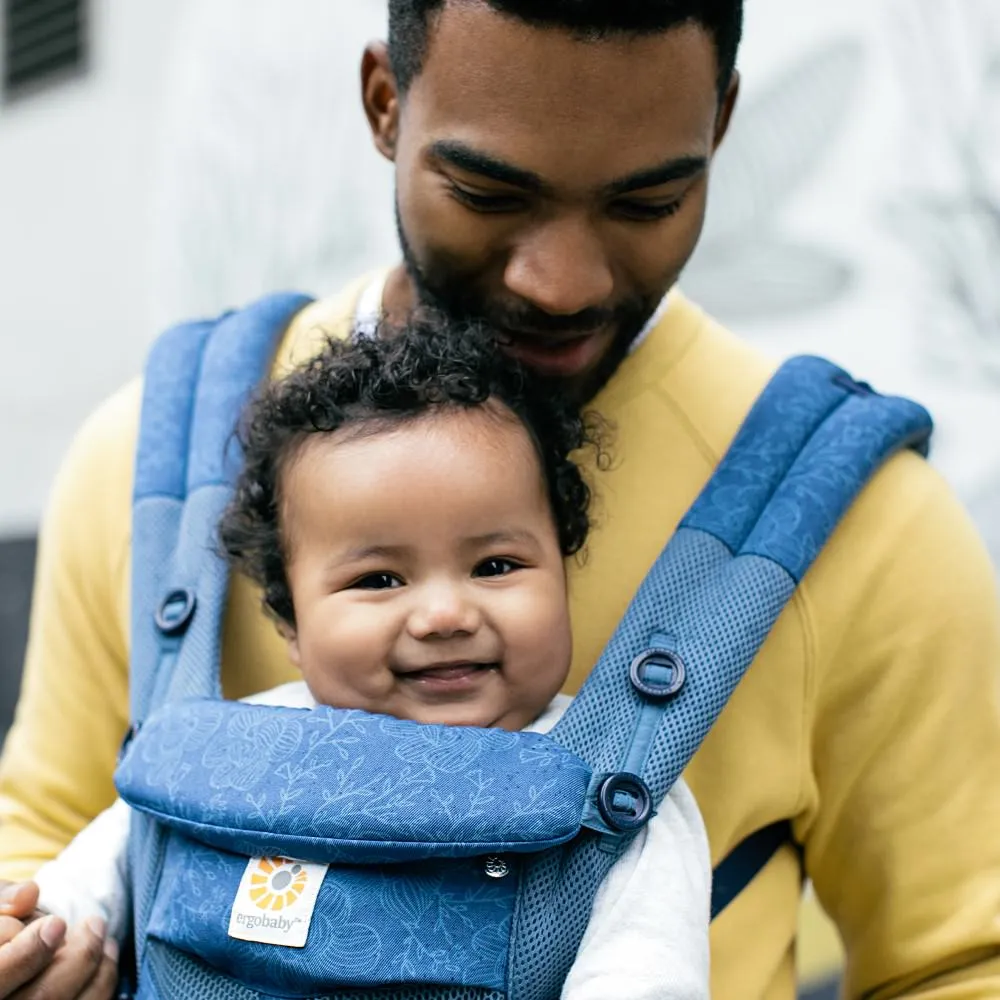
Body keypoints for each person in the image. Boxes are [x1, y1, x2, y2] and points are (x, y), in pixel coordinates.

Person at [1, 1, 998, 998]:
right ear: (384, 103)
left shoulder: (866, 526)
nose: (561, 282)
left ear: (720, 123)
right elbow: (43, 840)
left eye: (646, 202)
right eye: (486, 192)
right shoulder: (148, 470)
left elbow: (956, 963)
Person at [31, 320, 712, 1000]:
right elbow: (98, 872)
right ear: (292, 622)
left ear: (562, 577)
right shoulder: (237, 749)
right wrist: (50, 927)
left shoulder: (610, 797)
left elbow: (645, 976)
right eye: (380, 579)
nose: (445, 615)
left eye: (496, 565)